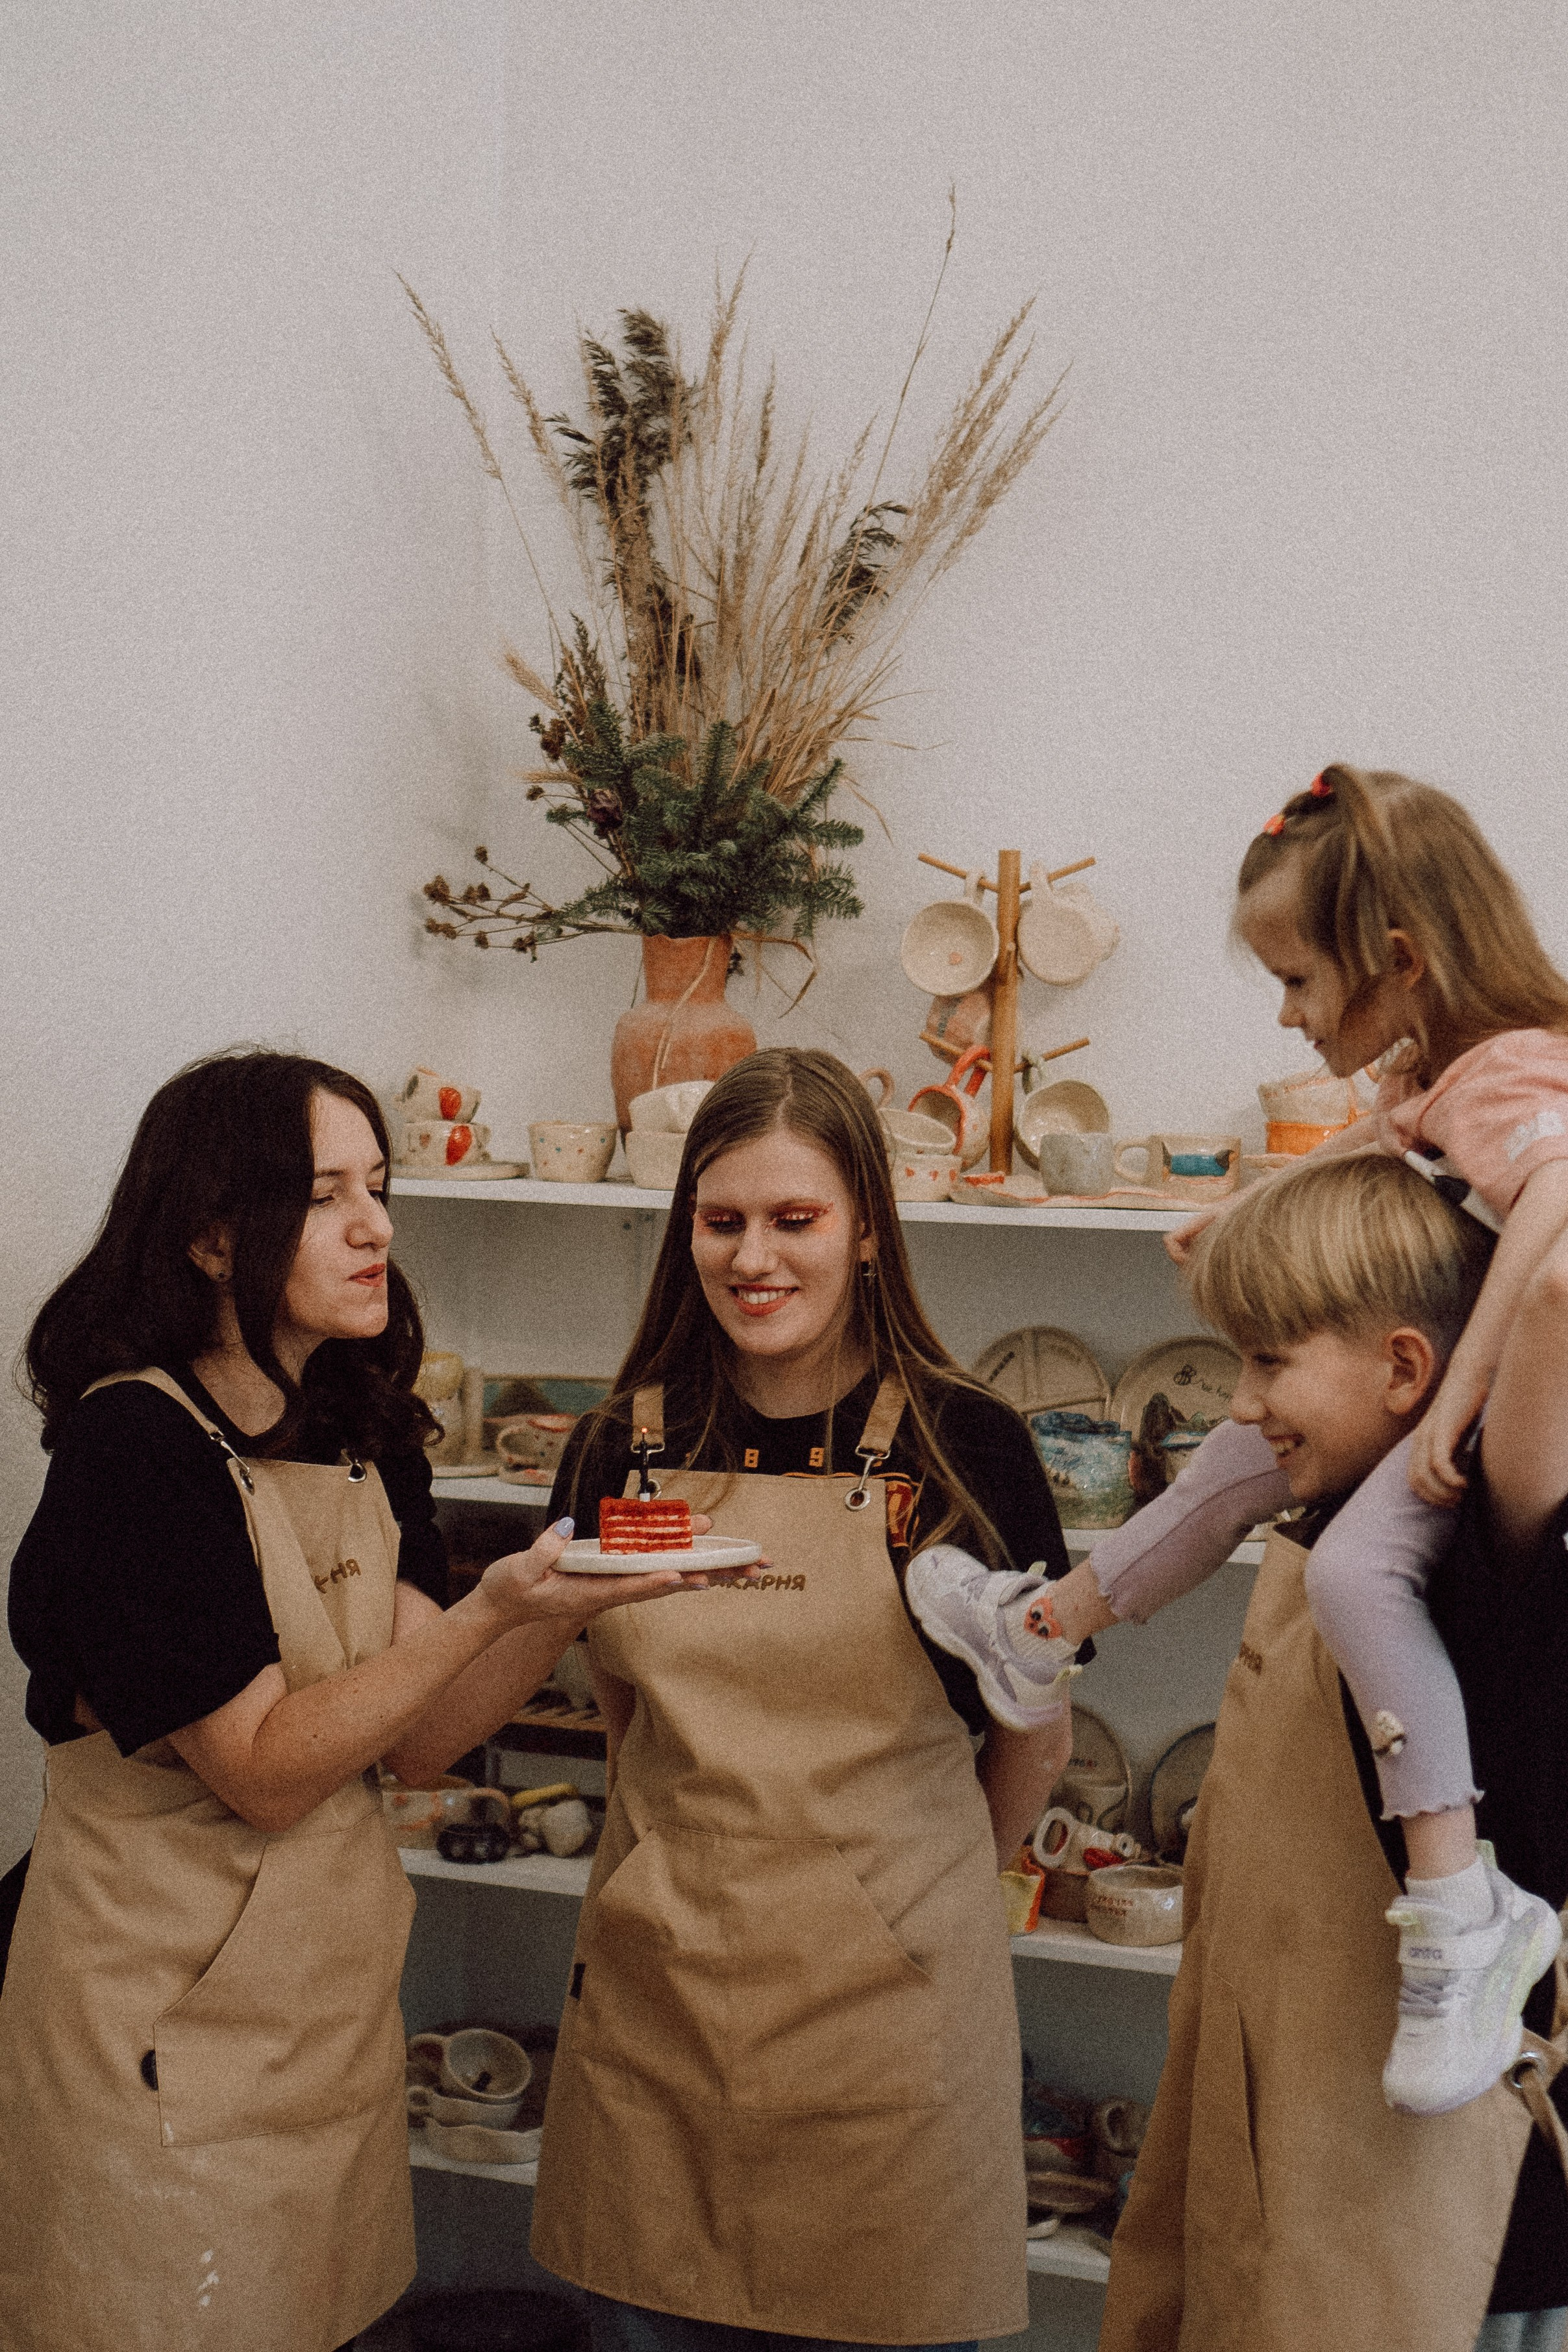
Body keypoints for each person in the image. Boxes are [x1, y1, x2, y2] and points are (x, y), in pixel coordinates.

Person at [0, 1049, 706, 2352]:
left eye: (378, 1186)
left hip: (321, 2025)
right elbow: (264, 1768)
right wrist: (495, 1608)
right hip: (152, 2030)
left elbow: (425, 1735)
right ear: (212, 1235)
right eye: (326, 1196)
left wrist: (562, 1605)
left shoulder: (359, 1426)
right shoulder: (134, 1446)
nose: (376, 1225)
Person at [911, 764, 1568, 2115]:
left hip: (1485, 1402)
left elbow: (1558, 1215)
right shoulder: (1444, 1067)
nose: (1286, 1011)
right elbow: (1378, 1147)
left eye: (1297, 979)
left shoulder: (1513, 1073)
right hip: (1440, 1384)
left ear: (1399, 960)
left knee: (1354, 1573)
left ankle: (1460, 1901)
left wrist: (1455, 1405)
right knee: (1228, 1457)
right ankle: (1042, 1632)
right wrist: (1250, 1202)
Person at [529, 1046, 1074, 2352]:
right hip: (659, 2020)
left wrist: (910, 1905)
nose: (753, 1257)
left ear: (868, 1229)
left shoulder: (965, 1447)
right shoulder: (623, 1445)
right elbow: (625, 1710)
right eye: (721, 1221)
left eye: (795, 1218)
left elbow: (1035, 1741)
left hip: (886, 2037)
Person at [1075, 1153, 1567, 2352]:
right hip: (1295, 2163)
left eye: (1270, 1361)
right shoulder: (1327, 1518)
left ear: (1406, 1368)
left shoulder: (1481, 1552)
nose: (1241, 1405)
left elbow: (1555, 1291)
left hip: (1451, 2232)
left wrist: (1528, 1148)